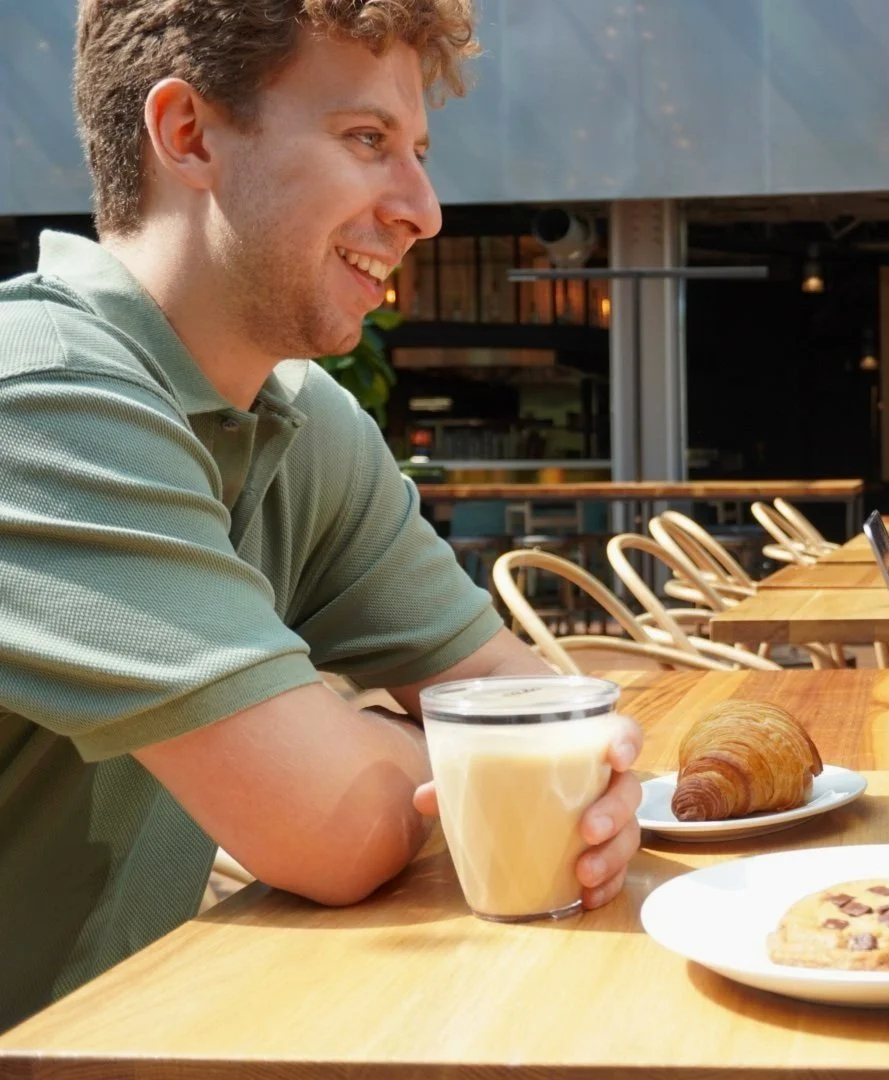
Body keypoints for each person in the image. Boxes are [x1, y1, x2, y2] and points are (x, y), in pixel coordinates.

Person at [0, 0, 642, 1029]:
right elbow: (332, 830)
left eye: (418, 152)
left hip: (132, 1031)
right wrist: (479, 765)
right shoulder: (37, 402)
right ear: (188, 135)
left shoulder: (300, 417)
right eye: (367, 139)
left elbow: (529, 702)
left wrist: (541, 769)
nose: (425, 210)